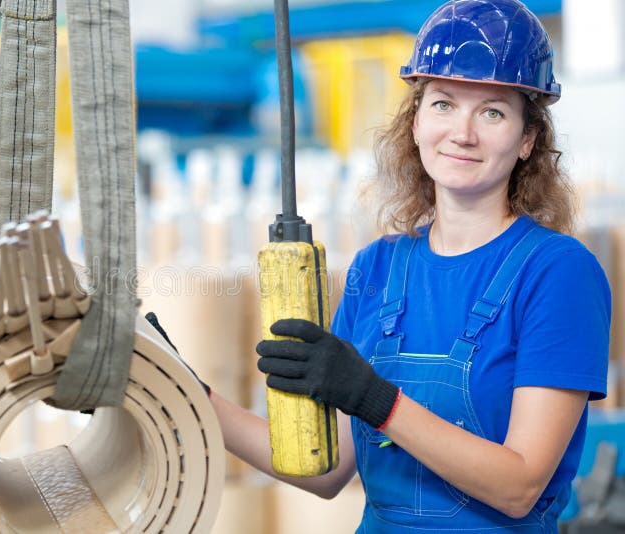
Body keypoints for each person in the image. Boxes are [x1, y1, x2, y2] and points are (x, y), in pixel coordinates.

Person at [156, 0, 611, 532]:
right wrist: (185, 391)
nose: (462, 132)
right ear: (416, 121)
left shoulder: (558, 273)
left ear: (528, 138)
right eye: (443, 104)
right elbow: (326, 471)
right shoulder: (379, 268)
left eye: (492, 111)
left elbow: (519, 486)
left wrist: (373, 398)